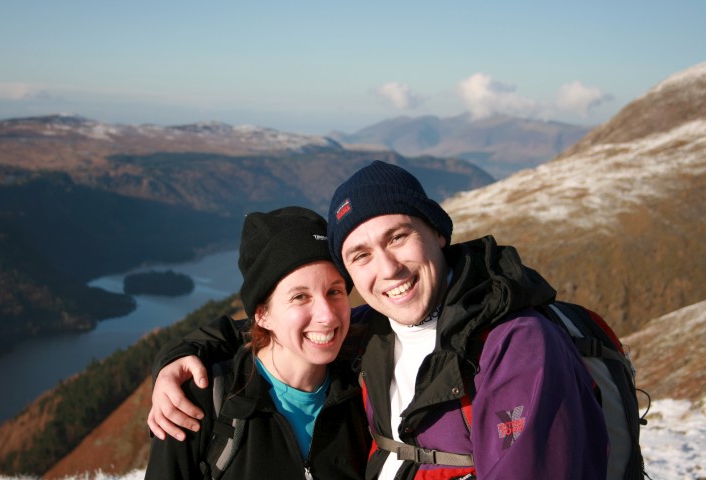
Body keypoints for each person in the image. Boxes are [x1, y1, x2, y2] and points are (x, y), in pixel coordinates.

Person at [148, 161, 609, 479]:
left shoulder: (514, 345)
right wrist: (182, 354)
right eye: (361, 254)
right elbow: (284, 332)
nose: (388, 269)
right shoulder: (374, 333)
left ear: (438, 233)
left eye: (398, 237)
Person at [144, 206, 370, 479]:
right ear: (262, 314)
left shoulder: (365, 390)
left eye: (334, 291)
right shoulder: (198, 402)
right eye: (300, 297)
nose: (327, 315)